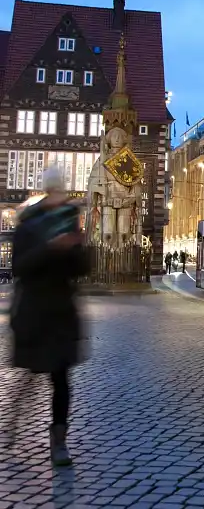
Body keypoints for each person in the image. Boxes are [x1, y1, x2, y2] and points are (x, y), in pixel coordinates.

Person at [9, 166, 90, 467]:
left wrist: (76, 246)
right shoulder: (29, 225)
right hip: (34, 310)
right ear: (47, 191)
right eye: (54, 190)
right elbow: (21, 266)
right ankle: (14, 419)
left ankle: (59, 441)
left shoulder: (70, 222)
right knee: (31, 374)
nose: (59, 196)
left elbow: (82, 269)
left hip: (61, 312)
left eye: (61, 190)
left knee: (61, 378)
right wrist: (49, 248)